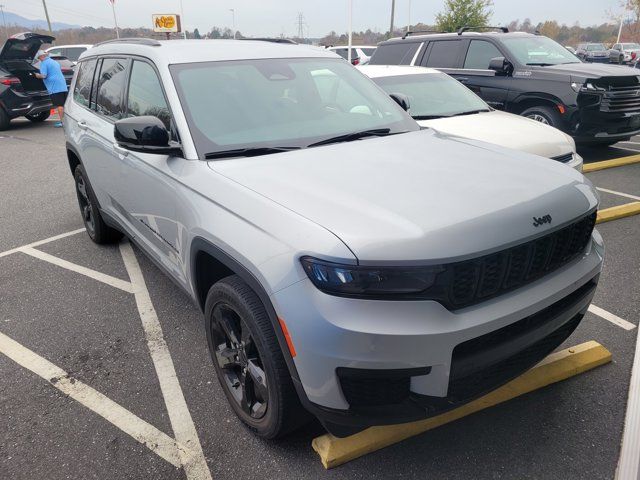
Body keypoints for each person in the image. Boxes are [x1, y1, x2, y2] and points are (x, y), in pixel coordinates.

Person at [34, 50, 68, 127]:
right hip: (62, 85)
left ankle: (62, 122)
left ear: (42, 56)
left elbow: (44, 75)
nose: (40, 59)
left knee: (60, 105)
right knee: (64, 104)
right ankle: (66, 121)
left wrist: (36, 75)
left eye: (39, 58)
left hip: (54, 87)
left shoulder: (44, 63)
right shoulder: (54, 62)